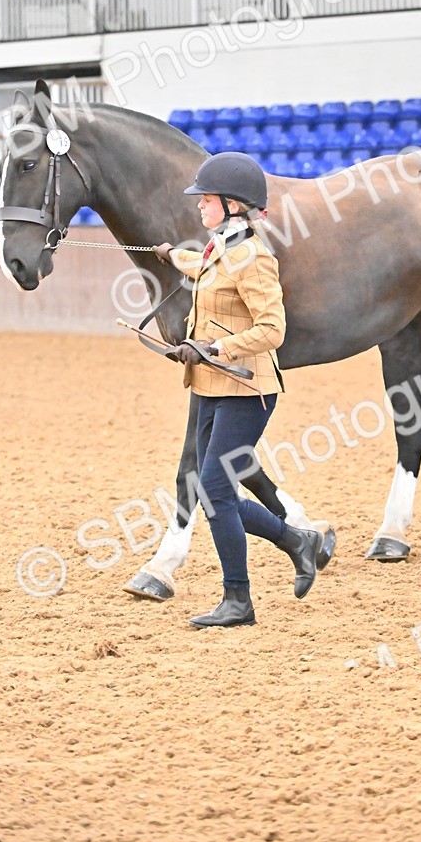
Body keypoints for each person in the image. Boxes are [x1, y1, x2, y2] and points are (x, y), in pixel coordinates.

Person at [154, 151, 321, 628]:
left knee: (214, 490)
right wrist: (172, 256)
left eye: (206, 200)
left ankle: (238, 600)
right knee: (214, 494)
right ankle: (297, 541)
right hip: (212, 387)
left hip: (248, 391)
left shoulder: (255, 257)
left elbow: (273, 329)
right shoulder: (218, 249)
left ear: (233, 205)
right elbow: (204, 269)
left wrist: (214, 347)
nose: (199, 207)